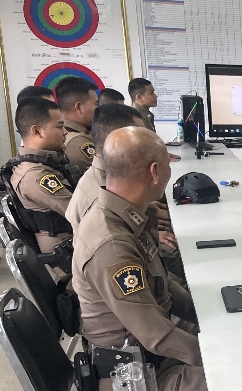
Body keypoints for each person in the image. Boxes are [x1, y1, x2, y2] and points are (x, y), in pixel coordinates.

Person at [71, 127, 209, 391]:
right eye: (169, 164)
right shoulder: (112, 245)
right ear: (155, 172)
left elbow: (163, 283)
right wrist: (219, 357)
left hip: (148, 354)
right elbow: (157, 336)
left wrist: (207, 315)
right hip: (135, 386)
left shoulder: (125, 215)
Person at [67, 104, 184, 279]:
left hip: (133, 253)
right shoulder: (99, 195)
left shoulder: (113, 178)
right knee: (180, 251)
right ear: (120, 140)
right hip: (118, 266)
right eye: (140, 135)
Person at [2, 98, 73, 257]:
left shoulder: (44, 164)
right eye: (59, 126)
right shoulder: (35, 175)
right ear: (37, 131)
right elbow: (80, 212)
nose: (65, 132)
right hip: (69, 254)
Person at [56, 76, 99, 170]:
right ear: (78, 107)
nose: (98, 109)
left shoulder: (65, 132)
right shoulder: (77, 142)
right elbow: (102, 174)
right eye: (96, 104)